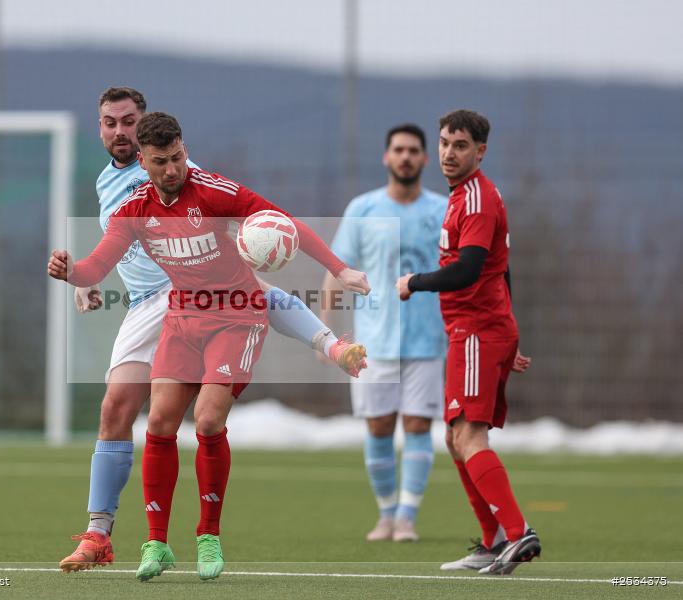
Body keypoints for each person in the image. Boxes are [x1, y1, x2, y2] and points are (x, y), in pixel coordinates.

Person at [49, 111, 370, 581]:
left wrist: (340, 270)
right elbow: (96, 268)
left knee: (208, 418)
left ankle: (207, 536)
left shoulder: (215, 191)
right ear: (144, 161)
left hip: (237, 317)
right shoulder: (134, 211)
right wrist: (70, 271)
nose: (173, 169)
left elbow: (288, 225)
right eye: (161, 162)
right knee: (157, 422)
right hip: (183, 317)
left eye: (178, 157)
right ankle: (156, 544)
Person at [395, 109, 539, 575]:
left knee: (468, 435)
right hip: (482, 329)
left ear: (480, 151)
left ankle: (518, 534)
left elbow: (469, 270)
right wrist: (511, 334)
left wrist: (414, 281)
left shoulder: (476, 198)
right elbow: (503, 267)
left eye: (460, 146)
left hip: (477, 330)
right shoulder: (464, 196)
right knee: (456, 437)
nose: (448, 153)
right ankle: (493, 540)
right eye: (444, 143)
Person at [323, 124, 447, 543]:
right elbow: (336, 271)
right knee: (378, 427)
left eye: (414, 150)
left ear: (425, 159)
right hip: (372, 341)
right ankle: (386, 514)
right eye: (399, 149)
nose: (406, 157)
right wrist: (328, 335)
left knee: (416, 425)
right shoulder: (363, 208)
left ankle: (407, 518)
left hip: (428, 338)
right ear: (386, 157)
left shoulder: (443, 209)